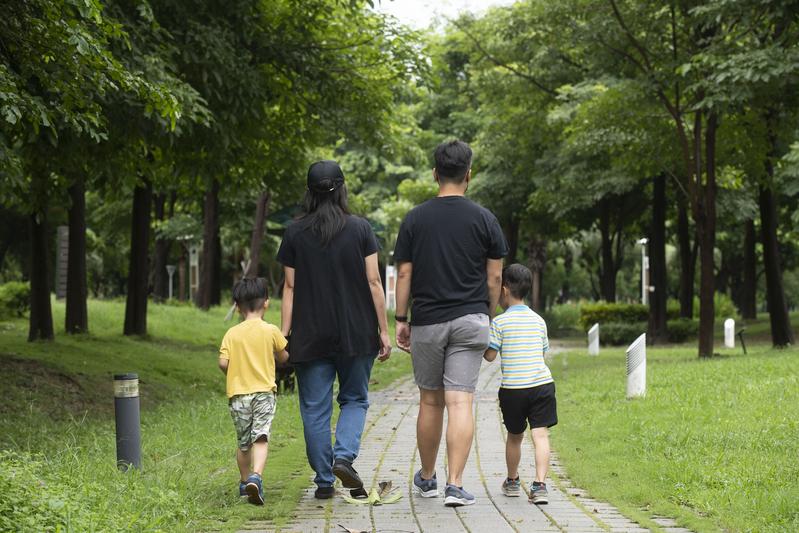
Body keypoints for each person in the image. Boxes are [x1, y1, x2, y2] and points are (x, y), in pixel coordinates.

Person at [394, 140, 507, 507]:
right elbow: (494, 279)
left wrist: (400, 318)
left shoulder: (415, 218)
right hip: (471, 318)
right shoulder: (485, 219)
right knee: (461, 402)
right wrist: (487, 317)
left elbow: (405, 273)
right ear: (469, 175)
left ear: (435, 173)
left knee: (431, 401)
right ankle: (455, 485)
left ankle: (427, 479)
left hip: (428, 320)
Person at [277, 160, 392, 500]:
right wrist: (383, 331)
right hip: (356, 332)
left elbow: (289, 288)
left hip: (310, 334)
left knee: (315, 407)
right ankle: (344, 456)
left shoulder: (294, 231)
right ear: (342, 189)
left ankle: (325, 480)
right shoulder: (360, 229)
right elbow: (373, 282)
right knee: (355, 398)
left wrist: (284, 335)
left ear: (309, 193)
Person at [483, 263, 557, 505]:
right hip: (541, 385)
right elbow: (542, 353)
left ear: (504, 290)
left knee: (515, 436)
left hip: (513, 389)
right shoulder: (539, 321)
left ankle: (513, 481)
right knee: (541, 435)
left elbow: (490, 356)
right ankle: (540, 485)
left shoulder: (500, 323)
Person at [218, 277, 289, 506]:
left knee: (243, 443)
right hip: (263, 394)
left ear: (237, 307)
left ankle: (243, 482)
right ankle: (256, 477)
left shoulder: (231, 333)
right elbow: (284, 356)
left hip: (238, 395)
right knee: (260, 436)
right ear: (266, 303)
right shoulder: (271, 330)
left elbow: (222, 363)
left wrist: (236, 370)